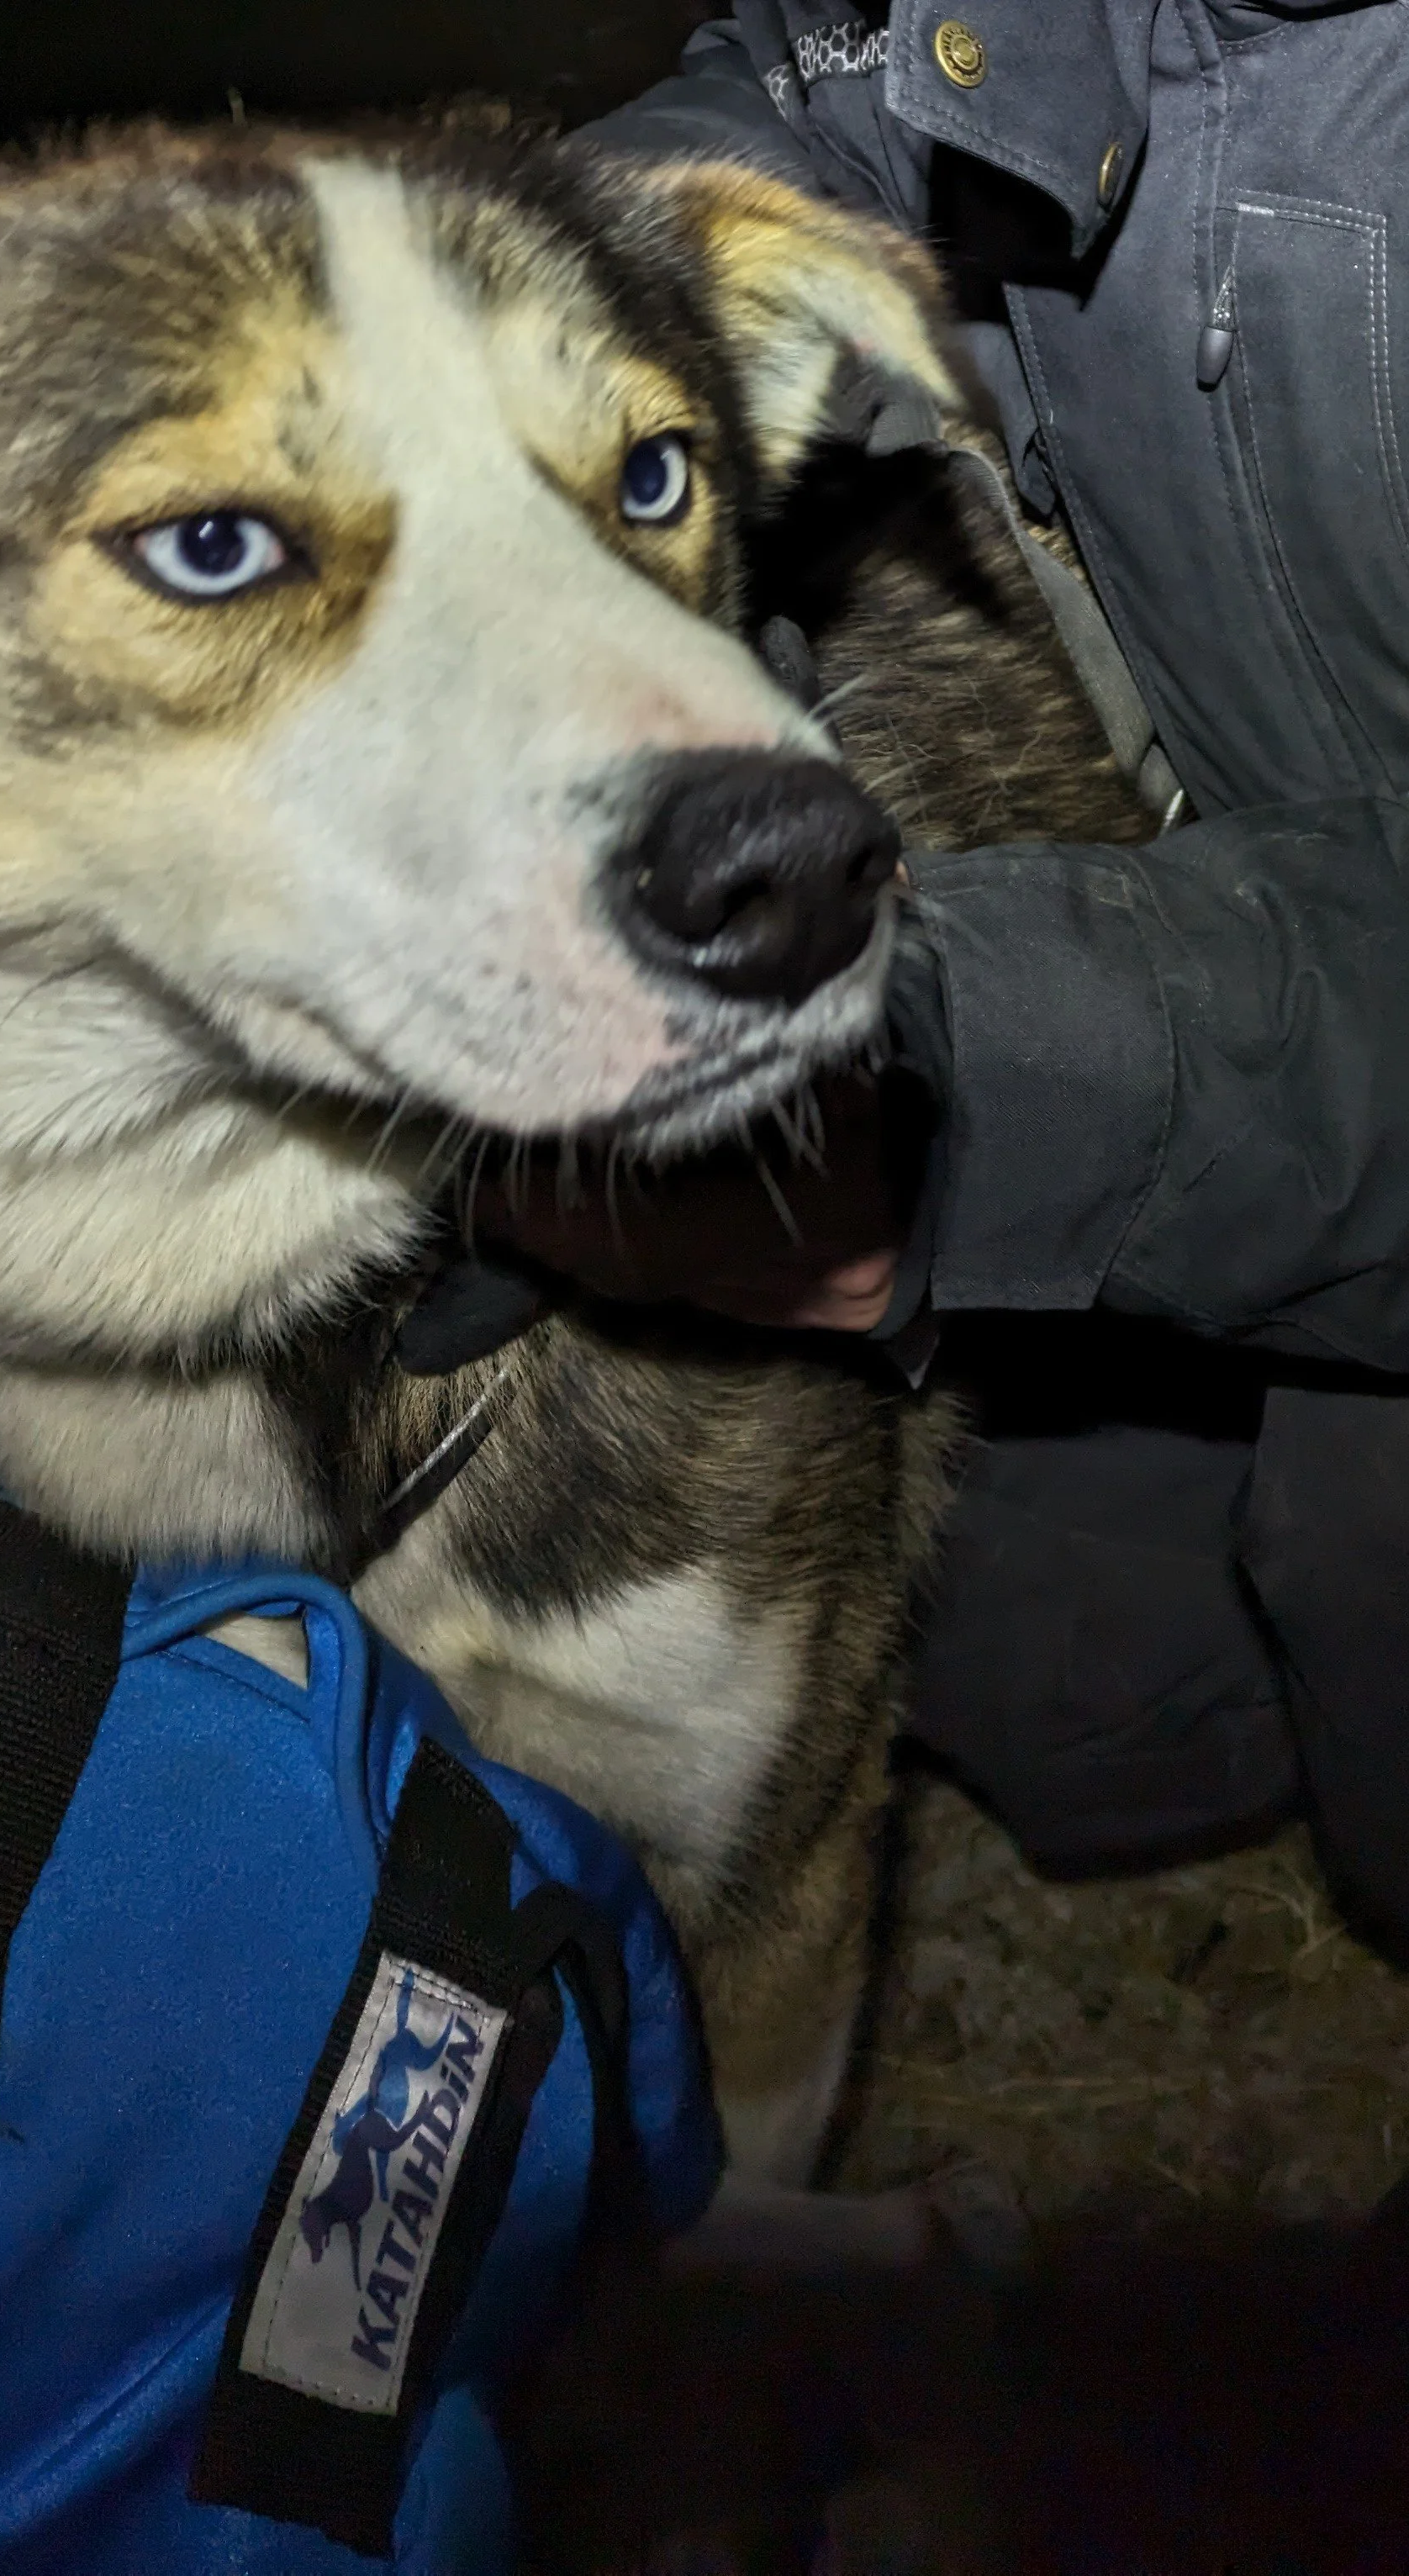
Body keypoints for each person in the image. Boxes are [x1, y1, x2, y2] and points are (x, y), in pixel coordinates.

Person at [493, 0, 1409, 1944]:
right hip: (1256, 820)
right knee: (1017, 1636)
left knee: (1362, 1572)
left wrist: (972, 1103)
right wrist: (519, 342)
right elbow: (839, 82)